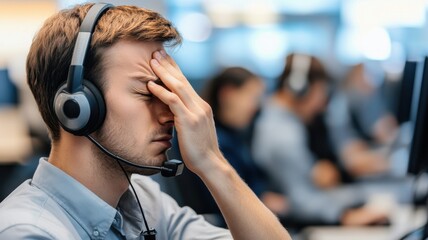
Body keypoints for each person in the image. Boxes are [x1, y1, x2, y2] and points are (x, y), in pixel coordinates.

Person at [0, 3, 290, 239]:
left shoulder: (145, 202)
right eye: (145, 92)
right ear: (77, 108)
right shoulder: (28, 232)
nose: (170, 115)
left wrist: (212, 161)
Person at [252, 53, 412, 225]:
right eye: (320, 93)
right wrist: (345, 216)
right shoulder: (282, 134)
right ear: (300, 89)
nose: (321, 105)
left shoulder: (285, 125)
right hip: (297, 224)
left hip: (309, 209)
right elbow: (300, 200)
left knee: (382, 193)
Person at [201, 67, 288, 220]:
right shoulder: (214, 143)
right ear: (227, 94)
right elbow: (226, 199)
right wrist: (261, 199)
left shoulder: (239, 136)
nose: (256, 107)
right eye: (252, 97)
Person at [325, 63, 398, 178]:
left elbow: (380, 132)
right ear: (351, 77)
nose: (369, 81)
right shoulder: (339, 107)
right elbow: (352, 162)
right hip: (344, 181)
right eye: (364, 76)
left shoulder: (356, 104)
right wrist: (398, 164)